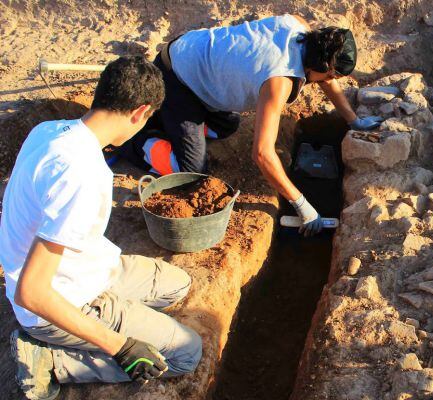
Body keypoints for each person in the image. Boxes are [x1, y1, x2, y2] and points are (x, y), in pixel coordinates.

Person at [0, 56, 202, 400]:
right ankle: (52, 359)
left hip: (86, 271)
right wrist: (119, 345)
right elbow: (31, 293)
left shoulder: (49, 131)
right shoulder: (84, 176)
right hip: (55, 303)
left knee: (177, 286)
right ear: (140, 113)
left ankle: (117, 311)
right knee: (187, 353)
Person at [120, 14, 381, 236]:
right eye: (332, 74)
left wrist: (353, 120)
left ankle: (174, 125)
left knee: (228, 126)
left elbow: (326, 78)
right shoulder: (279, 81)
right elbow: (262, 154)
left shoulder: (299, 28)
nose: (330, 81)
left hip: (196, 59)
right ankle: (136, 141)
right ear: (323, 65)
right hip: (176, 77)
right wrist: (301, 204)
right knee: (192, 174)